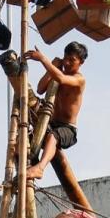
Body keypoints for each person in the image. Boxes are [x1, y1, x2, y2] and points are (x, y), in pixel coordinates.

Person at [22, 41, 88, 180]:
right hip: (50, 122)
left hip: (67, 129)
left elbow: (62, 79)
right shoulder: (56, 73)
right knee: (27, 136)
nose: (68, 63)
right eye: (66, 58)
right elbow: (40, 89)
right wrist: (51, 68)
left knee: (53, 136)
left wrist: (43, 59)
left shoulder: (79, 79)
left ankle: (40, 168)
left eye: (72, 60)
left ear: (80, 63)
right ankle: (30, 164)